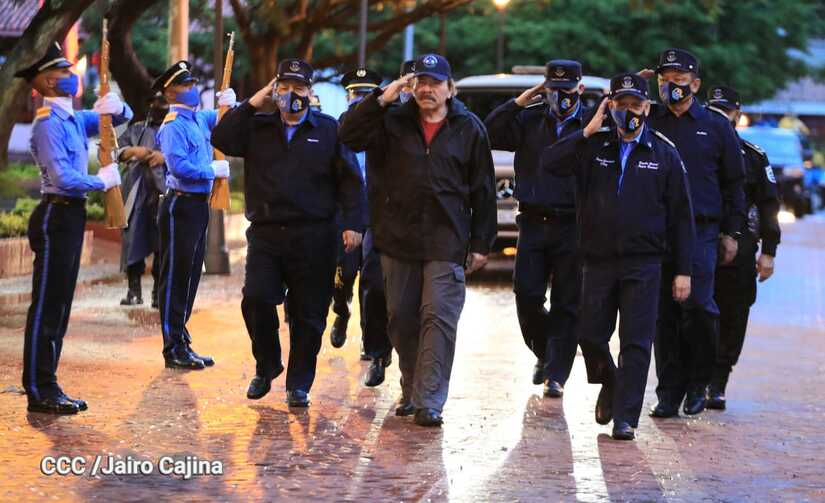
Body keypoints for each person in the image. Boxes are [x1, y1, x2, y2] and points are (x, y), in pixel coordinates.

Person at [340, 53, 496, 427]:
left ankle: (430, 401)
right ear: (410, 86)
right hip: (398, 238)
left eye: (435, 83)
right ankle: (412, 386)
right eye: (420, 82)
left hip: (447, 239)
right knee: (401, 318)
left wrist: (481, 243)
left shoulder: (469, 128)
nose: (427, 89)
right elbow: (348, 136)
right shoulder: (389, 120)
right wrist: (381, 98)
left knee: (438, 316)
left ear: (450, 88)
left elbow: (483, 189)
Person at [541, 73, 694, 440]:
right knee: (590, 334)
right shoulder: (594, 146)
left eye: (635, 105)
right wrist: (586, 131)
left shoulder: (664, 153)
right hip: (597, 260)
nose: (629, 112)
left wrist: (683, 271)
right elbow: (549, 163)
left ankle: (626, 418)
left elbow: (681, 217)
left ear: (647, 108)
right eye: (621, 105)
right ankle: (610, 381)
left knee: (636, 341)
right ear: (610, 107)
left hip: (644, 262)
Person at [211, 58, 366, 407]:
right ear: (274, 89)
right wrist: (254, 102)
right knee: (256, 298)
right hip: (267, 233)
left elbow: (350, 182)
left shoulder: (328, 129)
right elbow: (221, 137)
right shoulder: (258, 126)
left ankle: (299, 385)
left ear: (310, 92)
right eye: (284, 87)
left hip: (315, 236)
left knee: (308, 315)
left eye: (298, 87)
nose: (291, 94)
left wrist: (354, 224)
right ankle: (267, 365)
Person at [17, 42, 132, 414]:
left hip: (71, 216)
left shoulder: (73, 118)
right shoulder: (47, 124)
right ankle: (38, 388)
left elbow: (118, 119)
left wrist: (117, 105)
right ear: (50, 81)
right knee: (48, 304)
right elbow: (63, 177)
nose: (73, 75)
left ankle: (49, 383)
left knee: (61, 305)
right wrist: (102, 181)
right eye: (65, 71)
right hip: (56, 215)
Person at [643, 49, 746, 417]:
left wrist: (732, 232)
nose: (671, 86)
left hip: (702, 230)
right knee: (663, 313)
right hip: (658, 230)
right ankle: (669, 391)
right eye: (664, 79)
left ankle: (699, 381)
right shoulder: (649, 119)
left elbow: (735, 183)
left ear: (695, 84)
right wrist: (635, 85)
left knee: (699, 306)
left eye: (679, 79)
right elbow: (609, 118)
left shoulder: (715, 126)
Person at [485, 59, 591, 397]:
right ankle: (545, 352)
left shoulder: (591, 123)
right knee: (526, 296)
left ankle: (557, 375)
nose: (560, 96)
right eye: (553, 90)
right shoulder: (530, 119)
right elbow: (490, 131)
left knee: (567, 302)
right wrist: (520, 100)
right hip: (532, 221)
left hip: (573, 225)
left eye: (566, 90)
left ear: (580, 89)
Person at [153, 60, 235, 370]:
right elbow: (179, 168)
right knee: (175, 277)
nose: (192, 89)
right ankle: (172, 347)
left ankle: (182, 339)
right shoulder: (173, 126)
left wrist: (231, 102)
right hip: (180, 205)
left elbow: (224, 117)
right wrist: (211, 170)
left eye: (192, 84)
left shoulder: (198, 118)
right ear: (170, 93)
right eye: (185, 85)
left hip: (198, 205)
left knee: (190, 276)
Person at [705, 86, 781, 409]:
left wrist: (769, 251)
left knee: (734, 313)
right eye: (715, 112)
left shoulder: (753, 155)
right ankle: (693, 376)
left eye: (727, 112)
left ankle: (718, 380)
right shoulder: (695, 147)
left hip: (742, 245)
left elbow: (769, 205)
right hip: (700, 240)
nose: (722, 118)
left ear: (737, 114)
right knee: (692, 312)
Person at [334, 67, 395, 387]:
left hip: (376, 214)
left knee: (372, 281)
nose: (359, 99)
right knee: (343, 276)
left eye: (366, 94)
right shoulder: (339, 127)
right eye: (355, 94)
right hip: (347, 213)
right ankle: (341, 312)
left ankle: (373, 345)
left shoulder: (385, 125)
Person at [118, 93, 168, 307]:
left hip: (164, 191)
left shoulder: (176, 128)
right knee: (133, 241)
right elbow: (116, 151)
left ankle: (159, 293)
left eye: (163, 101)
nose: (159, 105)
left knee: (162, 244)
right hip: (137, 192)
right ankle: (134, 291)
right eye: (155, 101)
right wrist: (132, 151)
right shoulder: (137, 128)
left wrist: (164, 157)